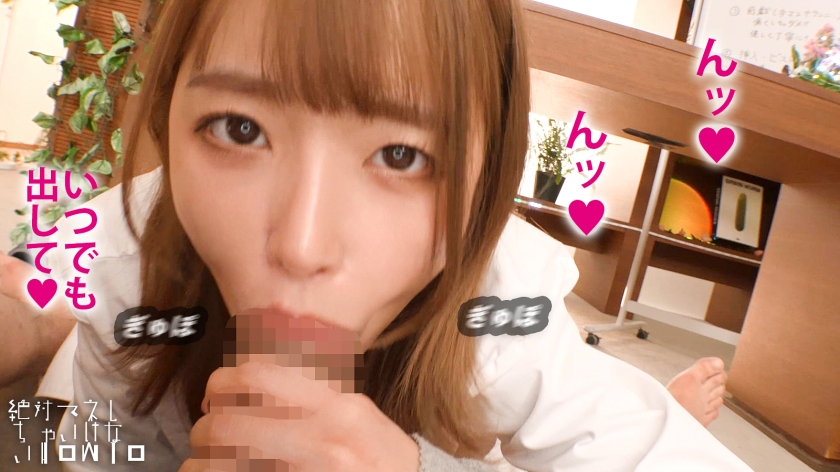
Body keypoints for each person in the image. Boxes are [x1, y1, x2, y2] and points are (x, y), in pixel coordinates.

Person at [19, 0, 750, 470]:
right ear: (166, 120)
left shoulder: (495, 307)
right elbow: (99, 453)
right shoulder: (122, 270)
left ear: (484, 182)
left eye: (402, 156)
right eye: (239, 129)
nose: (302, 245)